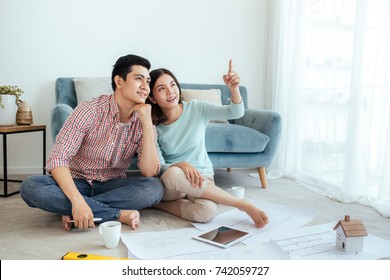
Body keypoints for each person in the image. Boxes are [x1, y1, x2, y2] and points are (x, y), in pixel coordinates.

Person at [20, 54, 164, 231]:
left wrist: (147, 125)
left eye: (148, 81)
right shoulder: (90, 110)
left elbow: (149, 172)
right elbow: (57, 159)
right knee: (31, 186)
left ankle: (75, 211)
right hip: (77, 182)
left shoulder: (144, 120)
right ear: (119, 81)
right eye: (138, 79)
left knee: (154, 188)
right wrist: (76, 199)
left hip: (112, 185)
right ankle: (115, 214)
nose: (145, 87)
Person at [147, 60, 269, 228]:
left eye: (172, 84)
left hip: (202, 176)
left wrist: (234, 89)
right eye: (161, 89)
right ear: (152, 98)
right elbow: (159, 166)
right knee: (173, 174)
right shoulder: (153, 126)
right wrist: (181, 165)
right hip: (173, 183)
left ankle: (156, 204)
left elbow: (235, 112)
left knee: (206, 213)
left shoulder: (197, 108)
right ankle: (242, 205)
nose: (170, 91)